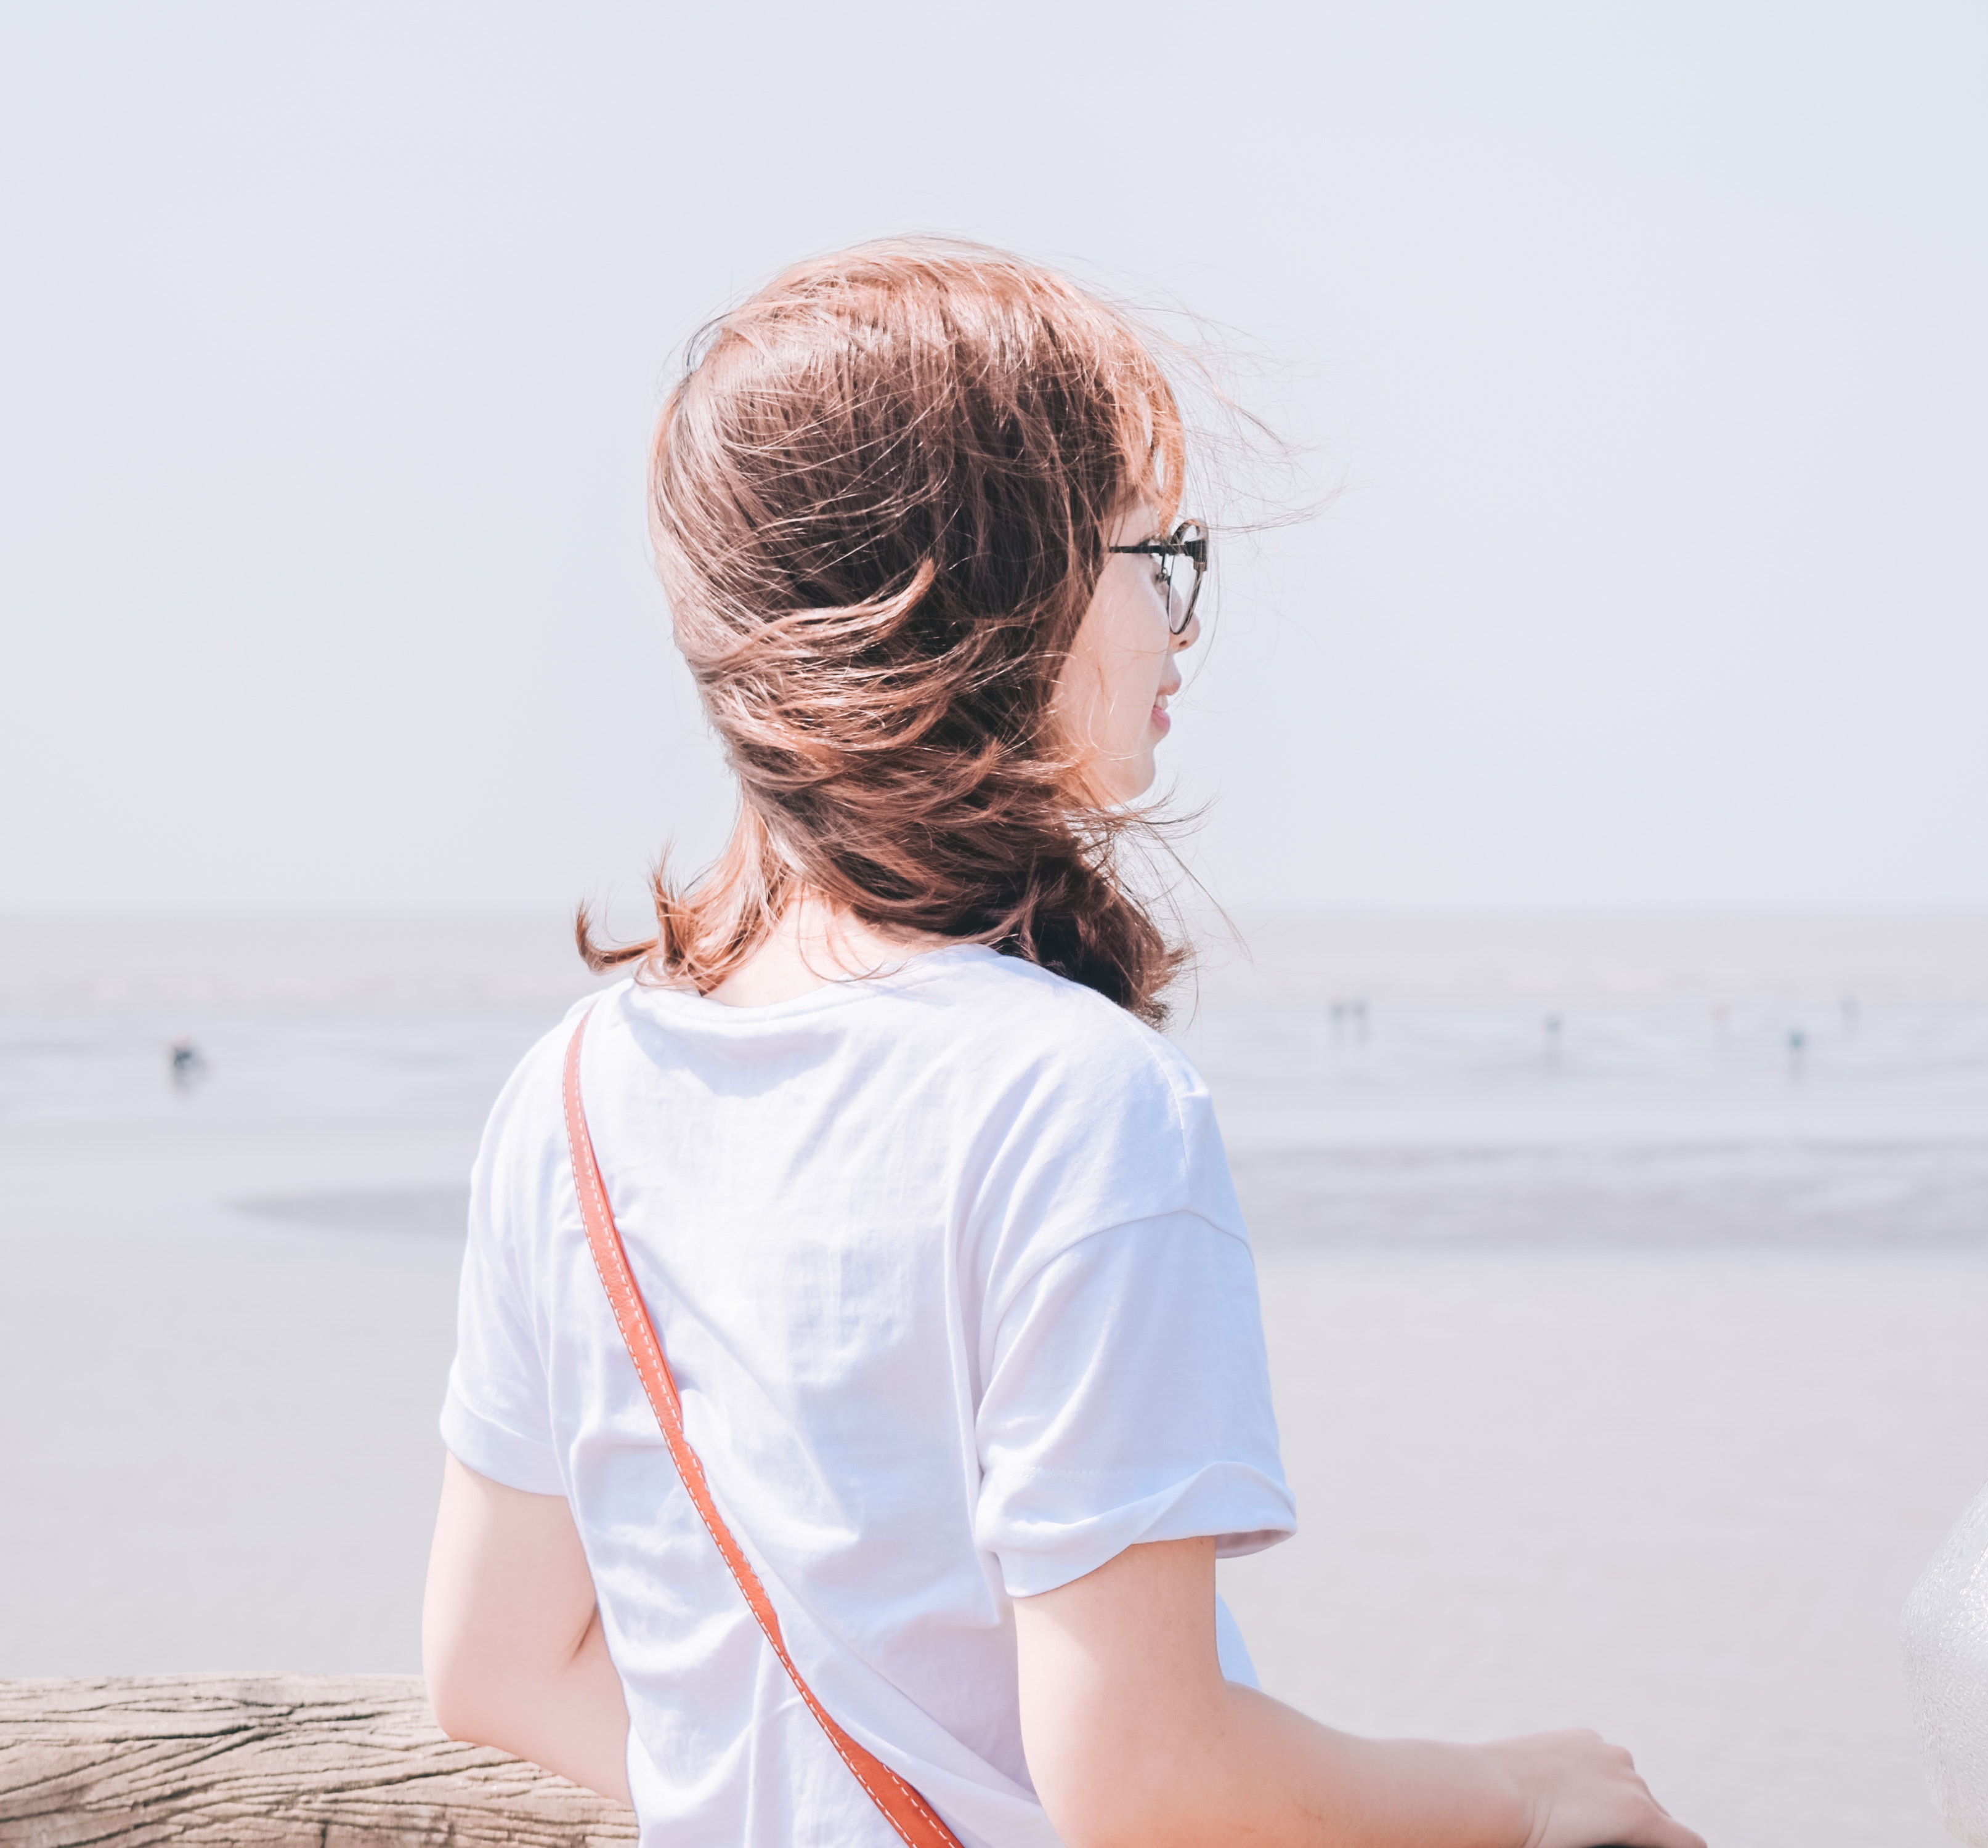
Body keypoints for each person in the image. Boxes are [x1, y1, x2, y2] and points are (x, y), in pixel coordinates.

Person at [418, 238, 1702, 1848]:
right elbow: (1150, 1779)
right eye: (1137, 552)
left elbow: (492, 1666)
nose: (1178, 622)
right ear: (990, 602)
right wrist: (1519, 1791)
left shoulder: (576, 1098)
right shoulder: (1083, 1104)